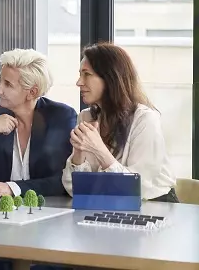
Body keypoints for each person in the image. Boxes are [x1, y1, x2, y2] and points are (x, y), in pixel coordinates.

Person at [62, 42, 178, 202]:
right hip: (109, 206)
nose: (79, 82)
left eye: (86, 74)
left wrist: (99, 149)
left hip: (154, 207)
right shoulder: (86, 118)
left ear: (111, 78)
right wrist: (79, 153)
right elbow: (75, 191)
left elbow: (137, 188)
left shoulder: (145, 119)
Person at [0, 49, 77, 198]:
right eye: (0, 80)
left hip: (49, 211)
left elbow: (63, 181)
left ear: (32, 92)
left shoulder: (60, 117)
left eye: (8, 84)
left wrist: (12, 188)